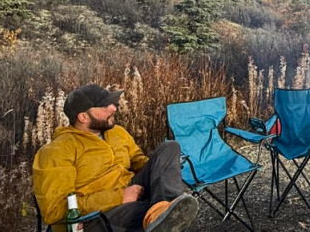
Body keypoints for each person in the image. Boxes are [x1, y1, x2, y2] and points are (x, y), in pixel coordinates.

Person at [33, 83, 198, 232]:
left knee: (170, 147)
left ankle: (162, 209)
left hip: (132, 188)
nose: (114, 108)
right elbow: (54, 210)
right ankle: (163, 213)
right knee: (168, 216)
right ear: (83, 117)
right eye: (105, 106)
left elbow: (137, 159)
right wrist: (118, 197)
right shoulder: (58, 150)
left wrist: (160, 167)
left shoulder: (117, 132)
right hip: (97, 215)